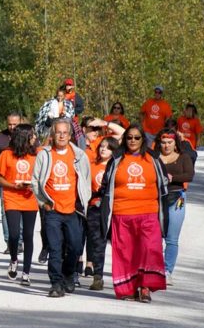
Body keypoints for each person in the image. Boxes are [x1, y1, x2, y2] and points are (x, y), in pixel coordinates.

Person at [100, 124, 169, 302]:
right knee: (126, 252)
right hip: (122, 214)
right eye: (129, 137)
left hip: (148, 212)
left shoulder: (153, 159)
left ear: (142, 140)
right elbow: (106, 186)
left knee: (149, 249)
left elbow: (163, 186)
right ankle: (128, 289)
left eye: (137, 137)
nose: (132, 140)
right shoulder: (116, 159)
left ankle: (145, 287)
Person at [31, 118, 92, 297]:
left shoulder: (80, 155)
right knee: (55, 248)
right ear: (53, 135)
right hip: (53, 210)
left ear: (70, 135)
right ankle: (56, 283)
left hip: (74, 210)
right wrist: (44, 203)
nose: (62, 136)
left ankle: (68, 275)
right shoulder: (45, 154)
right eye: (58, 132)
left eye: (65, 132)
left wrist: (84, 202)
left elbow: (86, 181)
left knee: (75, 247)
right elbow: (35, 181)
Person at [0, 124, 39, 287]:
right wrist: (14, 186)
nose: (34, 138)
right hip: (12, 197)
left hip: (30, 198)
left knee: (28, 235)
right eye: (32, 135)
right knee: (14, 235)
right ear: (24, 136)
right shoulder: (7, 154)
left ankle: (26, 272)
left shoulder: (37, 154)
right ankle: (14, 259)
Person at [154, 128, 195, 285]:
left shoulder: (183, 157)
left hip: (177, 198)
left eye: (169, 142)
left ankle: (167, 270)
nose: (166, 146)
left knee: (172, 238)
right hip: (156, 199)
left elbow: (189, 175)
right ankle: (155, 267)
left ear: (175, 143)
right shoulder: (154, 157)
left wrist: (173, 178)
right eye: (163, 142)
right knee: (155, 237)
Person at [0, 112, 23, 254]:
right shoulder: (0, 138)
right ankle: (10, 242)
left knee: (21, 211)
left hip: (23, 180)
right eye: (10, 124)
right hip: (5, 180)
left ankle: (19, 240)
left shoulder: (28, 135)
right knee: (5, 211)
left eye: (15, 124)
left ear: (20, 122)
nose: (12, 127)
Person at [85, 137, 119, 291]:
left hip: (114, 208)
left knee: (118, 244)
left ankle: (122, 276)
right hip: (95, 208)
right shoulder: (91, 166)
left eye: (108, 147)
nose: (103, 149)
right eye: (101, 146)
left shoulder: (118, 166)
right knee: (98, 244)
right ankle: (97, 277)